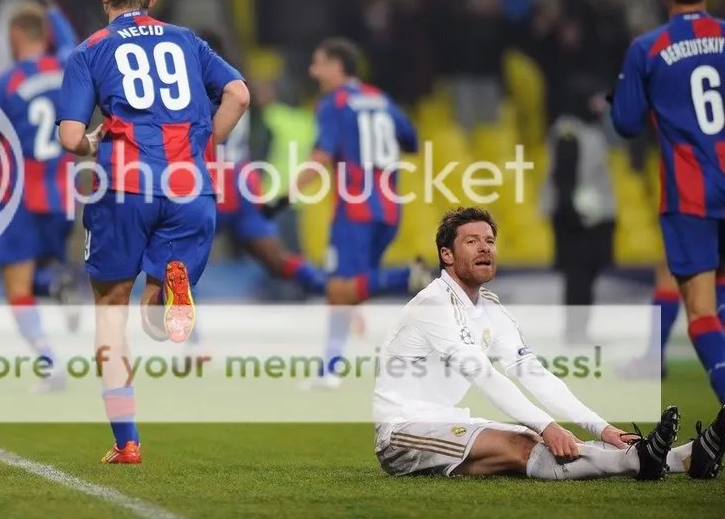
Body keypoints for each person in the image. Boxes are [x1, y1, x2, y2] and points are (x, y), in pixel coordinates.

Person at [56, 0, 249, 464]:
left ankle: (127, 441)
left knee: (110, 315)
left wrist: (92, 142)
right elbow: (238, 94)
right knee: (154, 314)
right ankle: (168, 286)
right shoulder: (187, 40)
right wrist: (204, 148)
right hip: (190, 188)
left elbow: (70, 137)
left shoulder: (90, 50)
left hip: (126, 188)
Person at [373, 206, 725, 480]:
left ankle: (684, 458)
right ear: (446, 255)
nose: (485, 248)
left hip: (448, 420)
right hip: (402, 432)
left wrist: (600, 427)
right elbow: (485, 376)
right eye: (472, 241)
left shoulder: (490, 309)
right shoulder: (434, 304)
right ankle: (641, 460)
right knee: (531, 440)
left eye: (490, 241)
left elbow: (533, 373)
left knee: (535, 446)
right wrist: (547, 424)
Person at [611, 0, 725, 404]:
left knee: (700, 306)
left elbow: (625, 122)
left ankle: (657, 359)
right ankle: (651, 356)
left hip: (691, 192)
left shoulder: (649, 48)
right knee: (696, 280)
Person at [293, 37, 428, 389]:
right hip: (389, 209)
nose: (313, 71)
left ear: (337, 66)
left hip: (355, 210)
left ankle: (409, 277)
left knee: (339, 287)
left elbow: (322, 155)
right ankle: (332, 365)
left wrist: (284, 194)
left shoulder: (334, 103)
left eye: (318, 63)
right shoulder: (380, 98)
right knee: (352, 288)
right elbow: (411, 141)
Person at [0, 2, 77, 391]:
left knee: (16, 286)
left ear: (15, 36)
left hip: (19, 198)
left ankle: (50, 365)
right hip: (63, 195)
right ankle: (56, 284)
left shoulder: (3, 85)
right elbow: (71, 44)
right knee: (38, 271)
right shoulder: (68, 71)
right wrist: (55, 10)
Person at [200, 30, 326, 298]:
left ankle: (186, 323)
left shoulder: (195, 88)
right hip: (244, 181)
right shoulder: (235, 83)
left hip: (211, 178)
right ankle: (330, 288)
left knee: (176, 253)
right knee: (275, 257)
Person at [539, 87, 616, 344]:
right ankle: (575, 332)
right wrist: (573, 214)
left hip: (591, 216)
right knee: (578, 276)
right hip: (575, 218)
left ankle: (581, 330)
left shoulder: (590, 130)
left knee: (586, 275)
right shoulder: (568, 131)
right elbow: (564, 177)